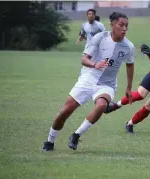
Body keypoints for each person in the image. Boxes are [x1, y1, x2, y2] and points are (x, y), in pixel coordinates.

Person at [42, 12, 135, 151]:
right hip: (88, 78)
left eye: (126, 26)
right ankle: (50, 141)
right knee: (65, 111)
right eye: (121, 25)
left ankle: (76, 135)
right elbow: (83, 59)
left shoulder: (129, 46)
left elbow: (130, 65)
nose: (124, 28)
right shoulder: (100, 37)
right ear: (112, 24)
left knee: (101, 105)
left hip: (107, 84)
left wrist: (129, 88)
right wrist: (94, 64)